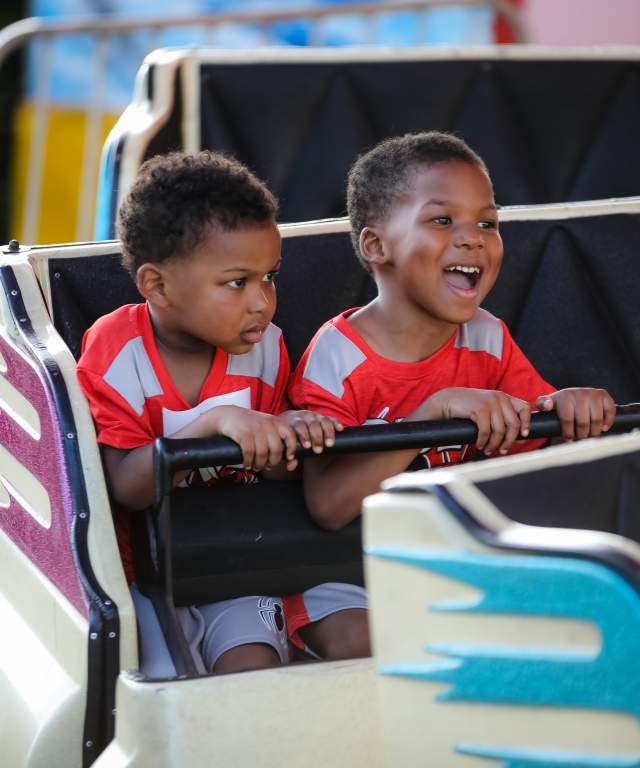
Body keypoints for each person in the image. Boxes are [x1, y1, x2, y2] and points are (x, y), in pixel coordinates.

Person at [77, 150, 367, 675]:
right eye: (238, 282)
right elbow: (126, 484)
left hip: (238, 564)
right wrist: (211, 423)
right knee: (166, 687)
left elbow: (275, 471)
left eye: (270, 278)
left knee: (250, 672)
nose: (262, 302)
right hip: (142, 575)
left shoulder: (268, 349)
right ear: (157, 286)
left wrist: (292, 435)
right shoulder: (116, 350)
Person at [288, 131, 616, 532]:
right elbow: (328, 506)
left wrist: (573, 414)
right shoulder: (336, 356)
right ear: (376, 246)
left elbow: (532, 447)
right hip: (347, 570)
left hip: (458, 551)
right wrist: (432, 412)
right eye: (442, 220)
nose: (473, 238)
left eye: (487, 222)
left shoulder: (487, 337)